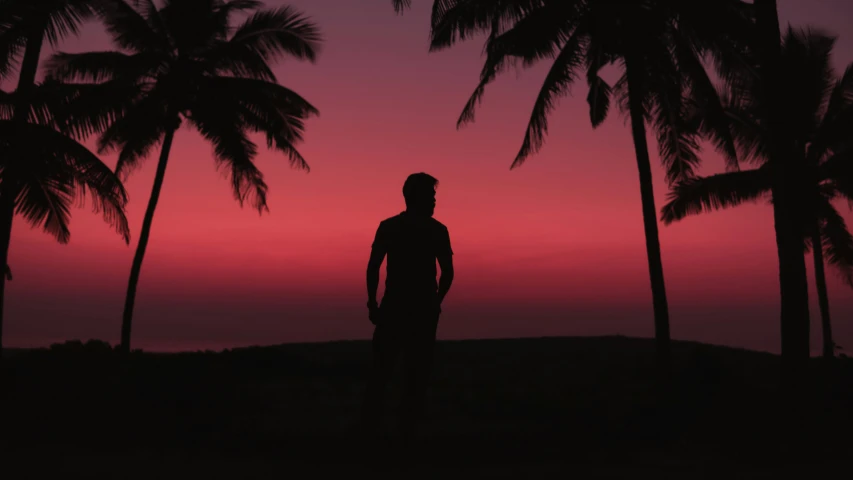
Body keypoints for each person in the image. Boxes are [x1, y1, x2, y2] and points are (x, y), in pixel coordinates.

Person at [360, 172, 455, 441]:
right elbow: (447, 272)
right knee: (414, 375)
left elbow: (373, 267)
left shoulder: (389, 227)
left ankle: (372, 431)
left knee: (383, 371)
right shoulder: (437, 230)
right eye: (431, 195)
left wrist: (372, 303)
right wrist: (436, 302)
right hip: (419, 310)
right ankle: (402, 433)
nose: (435, 200)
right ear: (418, 197)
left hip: (396, 308)